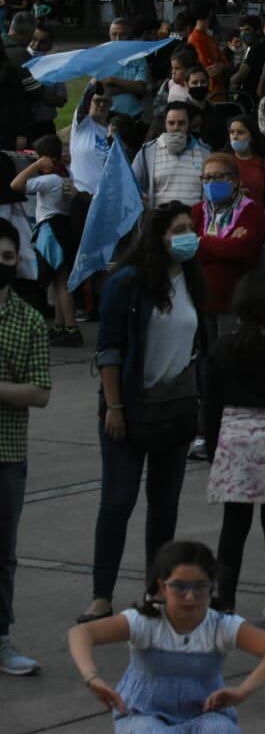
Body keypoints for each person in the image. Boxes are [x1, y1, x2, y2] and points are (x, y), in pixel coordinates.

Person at [80, 203, 207, 624]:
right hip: (128, 408)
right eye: (179, 230)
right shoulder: (128, 283)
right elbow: (110, 349)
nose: (188, 236)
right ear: (157, 237)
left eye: (191, 228)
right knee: (117, 501)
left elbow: (198, 345)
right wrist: (114, 406)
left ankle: (157, 590)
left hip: (173, 412)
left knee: (164, 504)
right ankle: (102, 595)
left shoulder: (191, 278)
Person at [68, 540, 265, 731]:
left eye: (200, 587)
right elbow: (81, 633)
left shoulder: (219, 625)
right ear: (162, 587)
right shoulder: (145, 621)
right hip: (143, 714)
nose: (190, 597)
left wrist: (243, 691)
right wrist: (92, 678)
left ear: (211, 587)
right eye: (179, 586)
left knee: (220, 729)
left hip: (204, 713)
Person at [203, 274, 265, 625]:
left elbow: (210, 403)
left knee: (233, 527)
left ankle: (223, 600)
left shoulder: (222, 347)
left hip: (233, 437)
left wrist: (211, 449)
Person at [0, 216, 50, 677]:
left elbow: (40, 392)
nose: (2, 265)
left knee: (4, 552)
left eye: (8, 259)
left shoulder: (29, 319)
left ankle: (1, 638)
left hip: (7, 453)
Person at [11, 136, 82, 345]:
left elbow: (16, 184)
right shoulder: (65, 175)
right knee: (57, 280)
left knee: (61, 282)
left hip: (51, 230)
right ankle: (60, 326)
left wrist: (35, 165)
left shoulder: (50, 180)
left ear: (46, 159)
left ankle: (71, 329)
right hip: (62, 229)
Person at [191, 154, 265, 328]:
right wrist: (226, 244)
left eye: (219, 176)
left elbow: (244, 250)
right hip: (200, 301)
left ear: (234, 180)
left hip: (236, 303)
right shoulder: (196, 212)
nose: (212, 182)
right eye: (207, 177)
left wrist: (201, 242)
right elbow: (188, 252)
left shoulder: (251, 210)